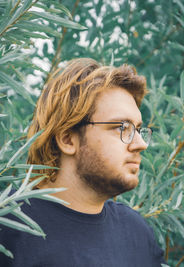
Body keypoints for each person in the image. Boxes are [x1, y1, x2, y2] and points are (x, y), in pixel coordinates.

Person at [0, 58, 165, 266]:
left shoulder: (137, 234)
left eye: (138, 129)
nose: (141, 144)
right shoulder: (8, 227)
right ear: (68, 139)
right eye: (122, 128)